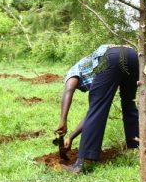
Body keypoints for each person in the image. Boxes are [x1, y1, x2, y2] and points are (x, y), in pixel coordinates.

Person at [55, 44, 139, 174]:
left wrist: (63, 121)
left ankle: (79, 166)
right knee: (129, 103)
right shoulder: (93, 69)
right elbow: (93, 114)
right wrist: (71, 137)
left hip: (111, 56)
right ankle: (137, 150)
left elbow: (69, 90)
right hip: (133, 55)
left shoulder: (73, 71)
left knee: (98, 108)